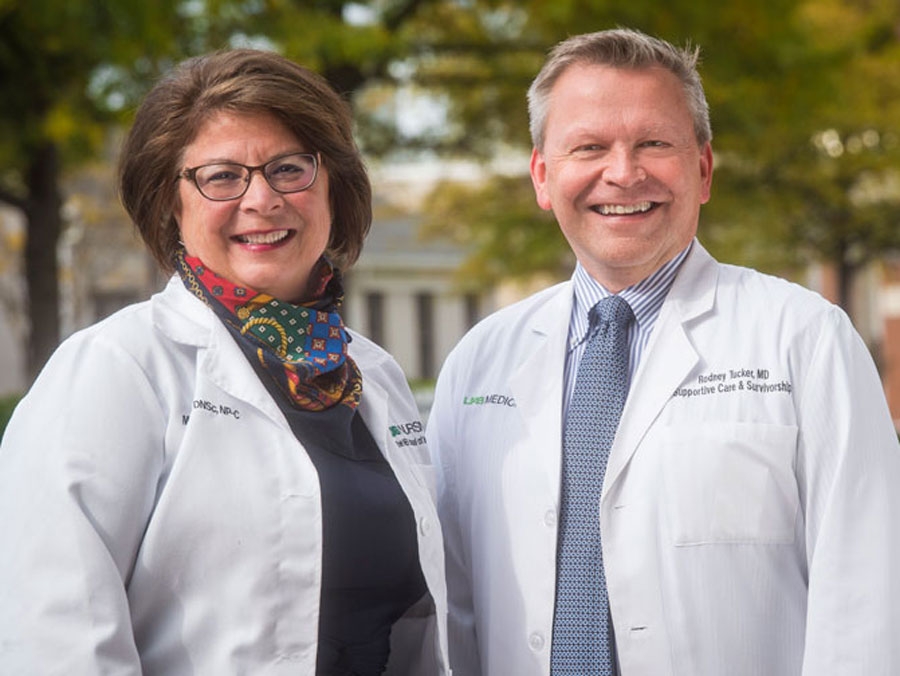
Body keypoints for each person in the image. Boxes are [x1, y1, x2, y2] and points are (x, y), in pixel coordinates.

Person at [427, 28, 900, 676]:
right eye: (589, 147)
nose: (623, 173)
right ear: (542, 175)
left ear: (703, 169)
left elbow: (867, 599)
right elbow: (450, 604)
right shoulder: (480, 362)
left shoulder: (807, 340)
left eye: (653, 143)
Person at [0, 49, 449, 675]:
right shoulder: (115, 370)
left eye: (289, 168)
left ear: (333, 185)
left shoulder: (372, 375)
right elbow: (56, 639)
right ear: (170, 202)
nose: (262, 198)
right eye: (221, 176)